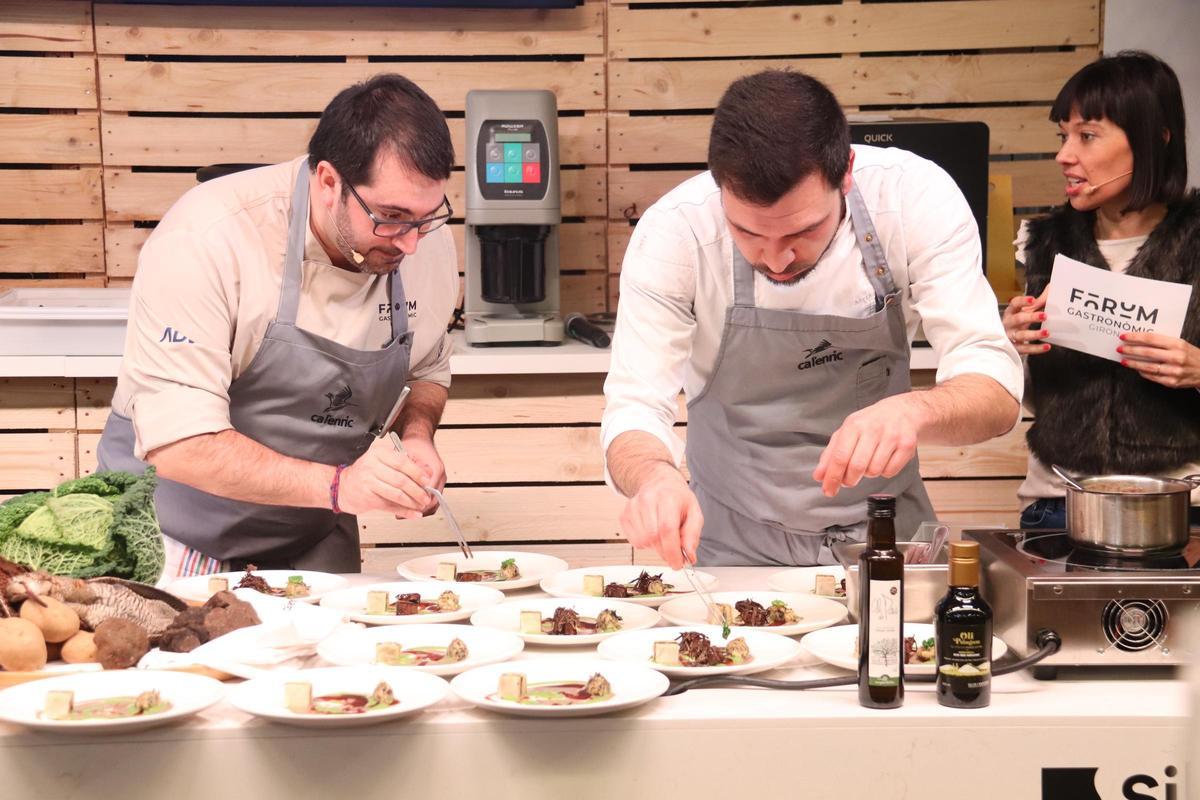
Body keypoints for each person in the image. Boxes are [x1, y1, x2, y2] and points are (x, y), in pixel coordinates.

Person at [601, 70, 1023, 569]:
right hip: (731, 542)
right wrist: (654, 477)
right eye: (747, 232)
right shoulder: (675, 235)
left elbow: (995, 388)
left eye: (802, 230)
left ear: (846, 169)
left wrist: (914, 411)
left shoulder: (913, 200)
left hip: (887, 535)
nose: (777, 260)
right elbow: (634, 407)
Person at [96, 74, 460, 578]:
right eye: (392, 217)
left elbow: (428, 368)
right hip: (172, 537)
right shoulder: (208, 238)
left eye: (426, 218)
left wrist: (417, 434)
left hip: (312, 536)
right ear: (330, 182)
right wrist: (340, 487)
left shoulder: (423, 241)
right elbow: (179, 444)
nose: (411, 244)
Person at [1003, 51, 1199, 530]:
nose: (1064, 156)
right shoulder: (1040, 244)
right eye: (1063, 136)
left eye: (1087, 136)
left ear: (1156, 139)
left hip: (1182, 508)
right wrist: (1009, 345)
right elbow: (1026, 399)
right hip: (1058, 505)